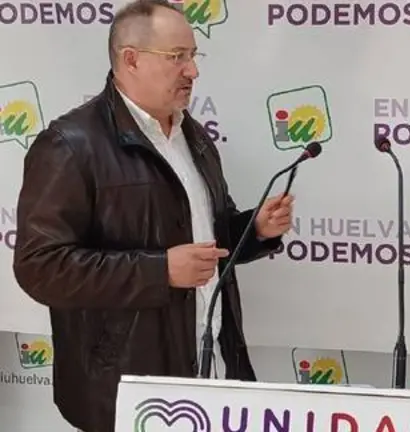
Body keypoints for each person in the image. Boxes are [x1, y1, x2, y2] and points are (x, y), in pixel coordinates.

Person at [12, 1, 294, 431]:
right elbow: (40, 267)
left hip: (211, 369)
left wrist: (253, 230)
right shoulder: (70, 145)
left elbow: (205, 240)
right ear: (131, 59)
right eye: (177, 56)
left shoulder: (193, 136)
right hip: (125, 390)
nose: (192, 71)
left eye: (193, 55)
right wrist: (159, 271)